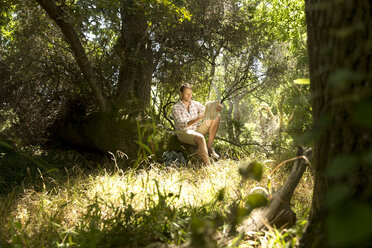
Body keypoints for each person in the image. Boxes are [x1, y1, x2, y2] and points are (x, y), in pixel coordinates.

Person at [171, 83, 222, 165]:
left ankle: (209, 147)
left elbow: (207, 111)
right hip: (183, 133)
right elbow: (182, 124)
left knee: (217, 116)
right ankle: (208, 165)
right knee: (201, 138)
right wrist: (197, 118)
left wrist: (217, 109)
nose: (189, 96)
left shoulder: (194, 103)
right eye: (187, 93)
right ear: (181, 94)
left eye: (190, 93)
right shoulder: (176, 108)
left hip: (196, 129)